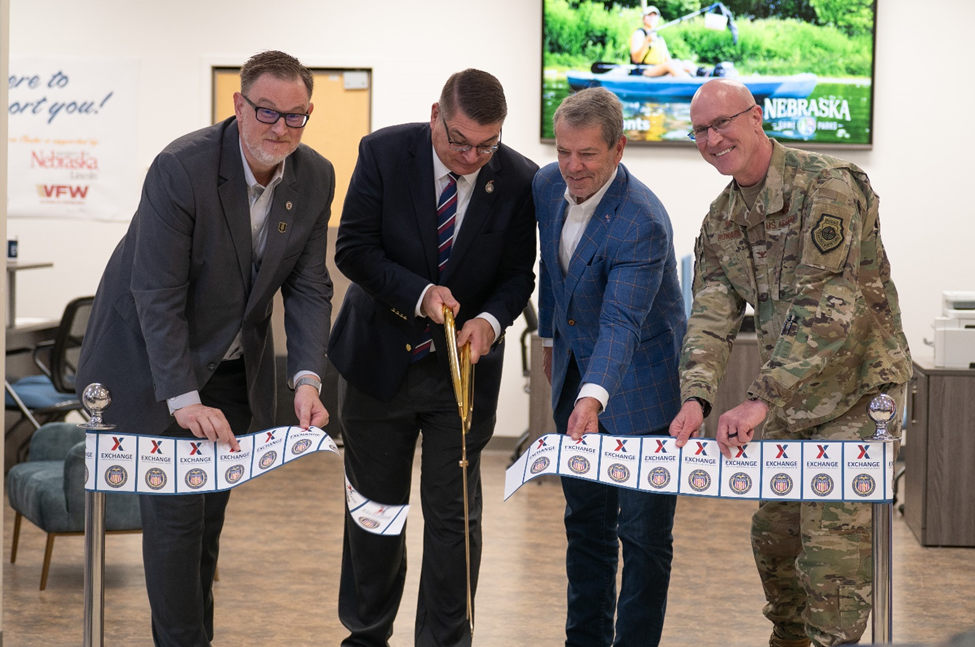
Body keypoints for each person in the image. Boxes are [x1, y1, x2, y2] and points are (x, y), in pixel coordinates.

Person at [76, 50, 334, 646]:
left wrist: (307, 378)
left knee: (206, 523)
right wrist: (182, 398)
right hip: (151, 364)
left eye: (296, 116)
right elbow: (157, 292)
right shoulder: (182, 168)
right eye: (267, 112)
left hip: (230, 366)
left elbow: (308, 285)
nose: (281, 128)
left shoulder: (314, 175)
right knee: (173, 526)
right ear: (239, 105)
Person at [670, 79, 913, 647]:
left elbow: (831, 305)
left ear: (756, 117)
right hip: (788, 398)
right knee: (776, 538)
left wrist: (759, 398)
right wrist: (697, 396)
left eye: (722, 123)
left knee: (832, 549)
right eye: (700, 131)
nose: (712, 139)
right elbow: (710, 314)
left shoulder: (827, 185)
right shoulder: (722, 219)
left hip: (857, 389)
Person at [328, 68, 537, 646]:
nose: (473, 157)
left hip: (461, 375)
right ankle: (366, 635)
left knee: (453, 522)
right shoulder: (384, 153)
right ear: (434, 117)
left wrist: (491, 323)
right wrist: (419, 294)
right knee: (376, 513)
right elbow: (354, 250)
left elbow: (519, 275)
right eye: (460, 142)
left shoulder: (519, 178)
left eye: (487, 145)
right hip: (378, 365)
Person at [535, 86, 686, 647]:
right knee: (587, 527)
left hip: (644, 388)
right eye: (564, 151)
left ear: (619, 149)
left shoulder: (641, 221)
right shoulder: (547, 185)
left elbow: (622, 322)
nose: (572, 167)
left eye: (588, 155)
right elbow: (552, 270)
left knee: (643, 537)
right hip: (578, 380)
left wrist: (592, 395)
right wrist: (551, 340)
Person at [630, 5, 699, 77]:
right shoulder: (639, 34)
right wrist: (647, 42)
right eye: (649, 15)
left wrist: (677, 64)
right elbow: (635, 59)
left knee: (682, 62)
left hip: (658, 68)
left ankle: (702, 74)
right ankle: (689, 82)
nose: (652, 18)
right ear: (643, 19)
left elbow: (668, 59)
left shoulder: (659, 38)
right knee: (670, 65)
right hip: (643, 70)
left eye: (654, 16)